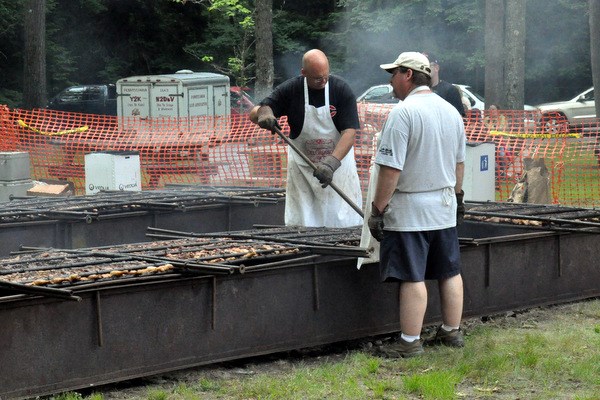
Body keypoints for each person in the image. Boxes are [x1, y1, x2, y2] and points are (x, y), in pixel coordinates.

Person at [367, 51, 467, 358]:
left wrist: (377, 210)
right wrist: (459, 197)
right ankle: (451, 332)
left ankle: (409, 342)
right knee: (449, 271)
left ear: (408, 74)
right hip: (444, 204)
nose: (390, 80)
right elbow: (460, 163)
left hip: (411, 211)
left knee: (412, 275)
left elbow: (390, 170)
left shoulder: (403, 113)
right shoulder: (451, 111)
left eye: (394, 73)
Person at [249, 49, 363, 228]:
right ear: (304, 73)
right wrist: (264, 113)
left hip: (338, 170)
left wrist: (330, 164)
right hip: (303, 172)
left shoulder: (341, 89)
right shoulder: (291, 89)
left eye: (326, 76)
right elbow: (256, 111)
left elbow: (349, 132)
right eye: (318, 78)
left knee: (342, 224)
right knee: (303, 225)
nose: (323, 81)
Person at [422, 52, 466, 117]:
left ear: (436, 68)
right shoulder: (414, 90)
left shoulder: (450, 90)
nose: (422, 70)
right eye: (419, 67)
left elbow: (460, 118)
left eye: (425, 66)